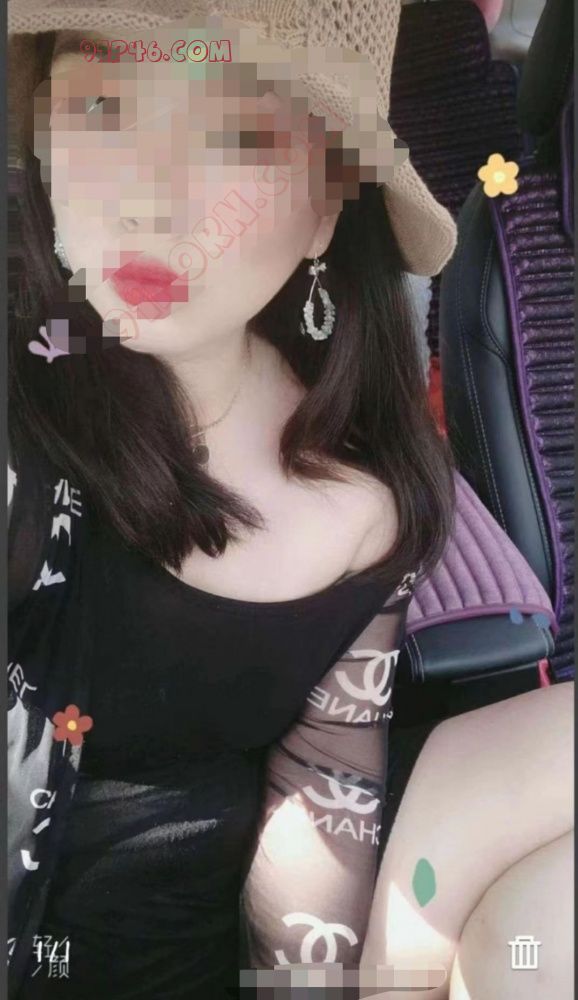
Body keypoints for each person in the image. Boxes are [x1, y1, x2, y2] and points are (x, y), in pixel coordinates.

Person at [6, 3, 572, 1000]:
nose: (147, 198)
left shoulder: (364, 509)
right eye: (98, 107)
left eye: (234, 132)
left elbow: (321, 797)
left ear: (326, 207)